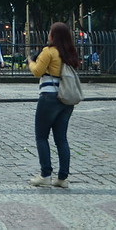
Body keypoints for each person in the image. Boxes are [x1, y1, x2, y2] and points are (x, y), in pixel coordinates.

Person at [27, 22, 80, 188]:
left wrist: (30, 61)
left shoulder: (49, 52)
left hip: (49, 97)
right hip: (65, 99)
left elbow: (37, 71)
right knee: (61, 139)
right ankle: (62, 178)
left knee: (42, 136)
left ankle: (45, 174)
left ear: (53, 35)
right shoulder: (69, 54)